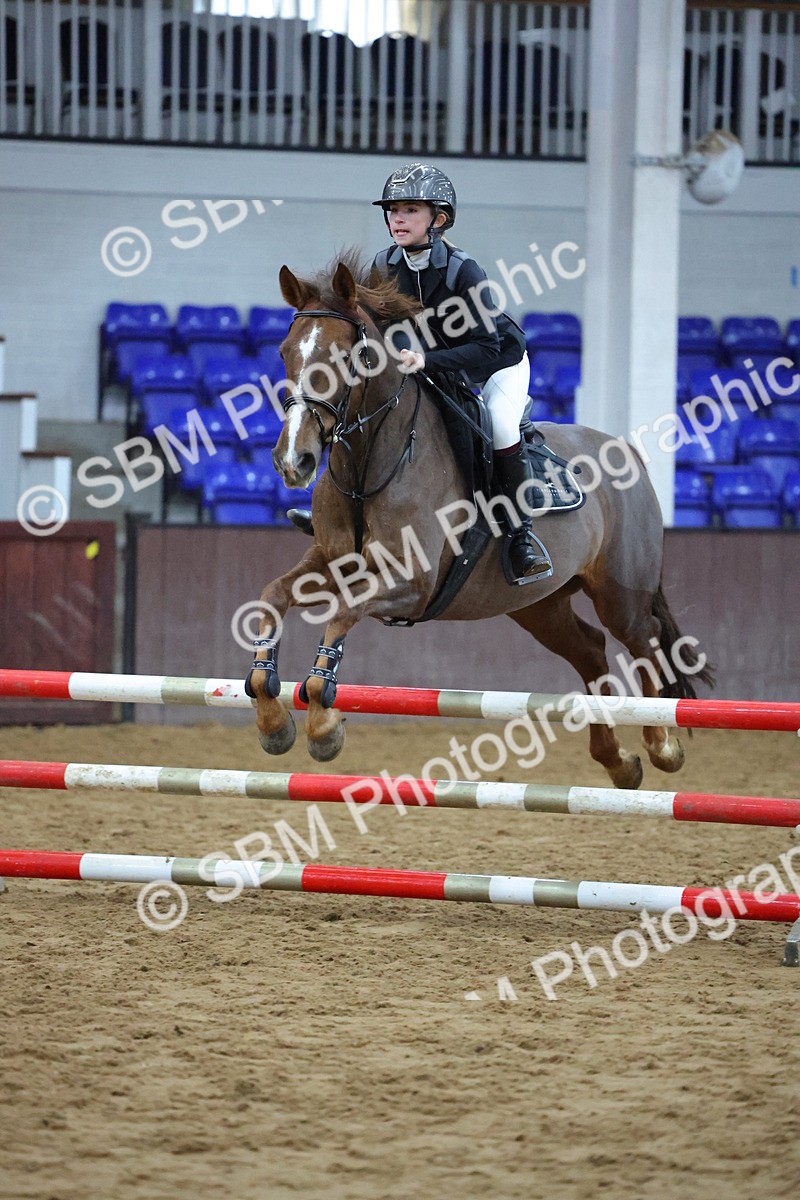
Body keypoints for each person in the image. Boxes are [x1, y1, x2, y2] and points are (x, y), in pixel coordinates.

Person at [289, 161, 551, 582]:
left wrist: (427, 360)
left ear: (439, 219)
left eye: (410, 209)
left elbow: (485, 348)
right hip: (428, 364)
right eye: (393, 210)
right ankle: (335, 510)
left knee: (500, 425)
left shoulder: (464, 270)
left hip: (494, 363)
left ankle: (521, 537)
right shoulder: (383, 265)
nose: (397, 218)